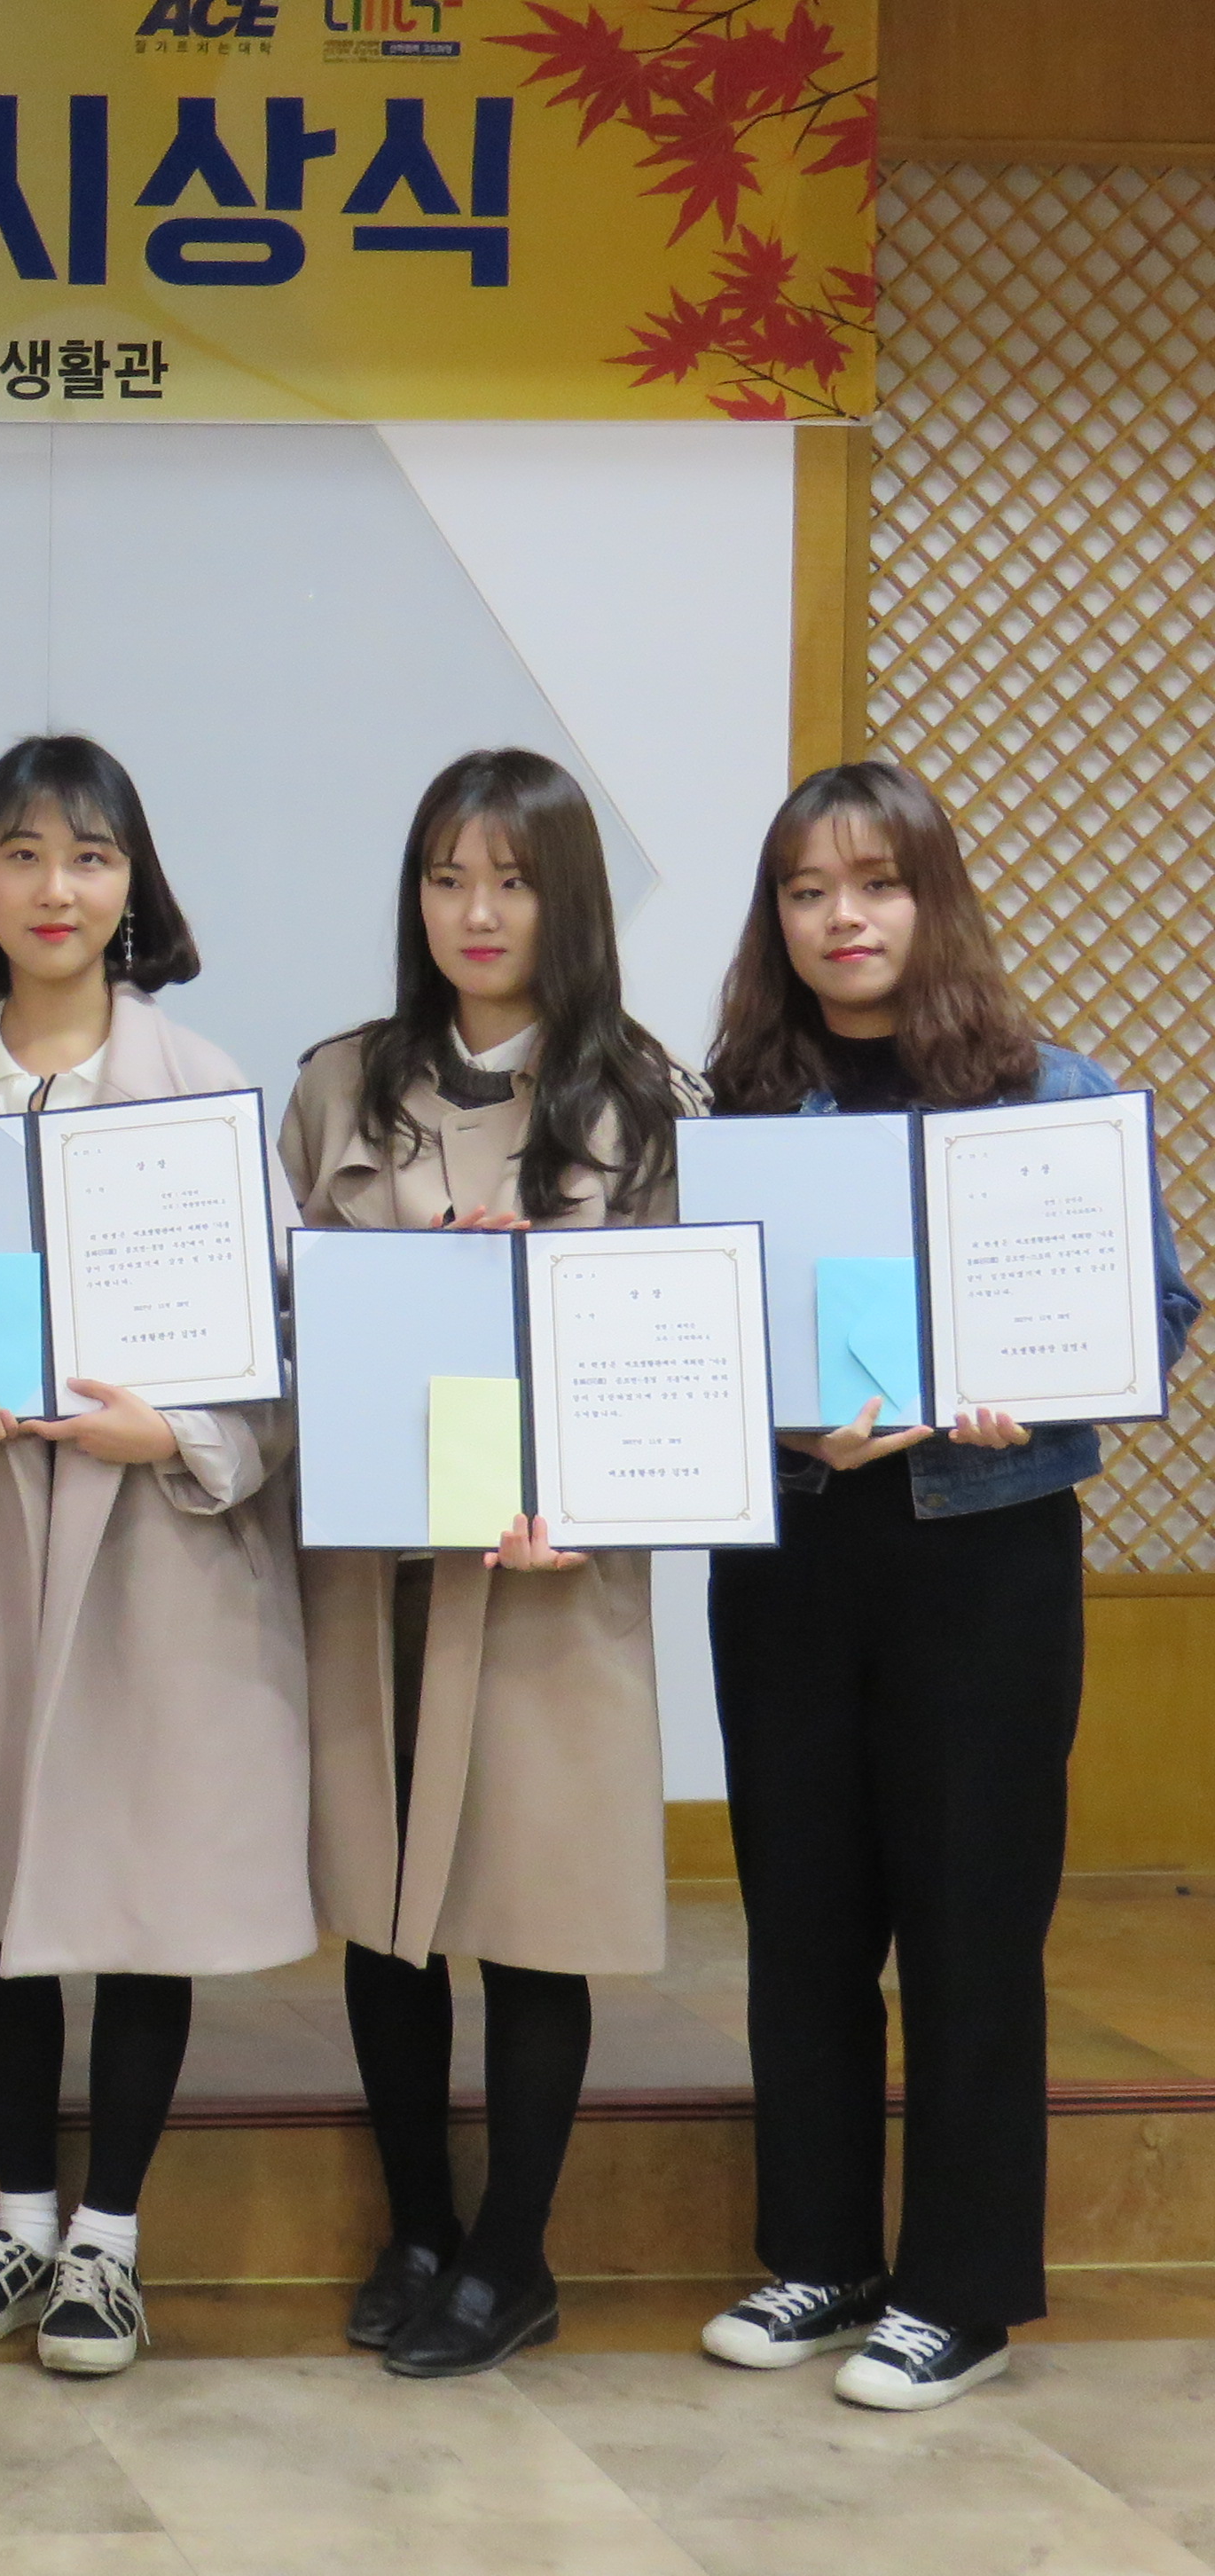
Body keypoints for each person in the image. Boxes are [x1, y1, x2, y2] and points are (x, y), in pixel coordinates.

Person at [694, 759, 1194, 2410]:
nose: (842, 918)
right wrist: (766, 1415)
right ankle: (820, 2256)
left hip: (981, 1555)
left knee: (972, 1925)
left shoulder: (1044, 1090)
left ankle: (960, 2292)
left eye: (876, 883)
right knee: (803, 1917)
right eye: (807, 891)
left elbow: (1156, 1310)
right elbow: (689, 1337)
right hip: (790, 1551)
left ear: (932, 898)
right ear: (776, 920)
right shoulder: (740, 1106)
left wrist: (1026, 1388)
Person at [0, 734, 310, 2377]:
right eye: (24, 853)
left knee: (146, 1881)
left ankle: (111, 2240)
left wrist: (173, 1436)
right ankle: (21, 2217)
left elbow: (283, 1360)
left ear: (133, 886)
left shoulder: (206, 1094)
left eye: (91, 856)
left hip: (155, 1549)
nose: (57, 888)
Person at [279, 749, 690, 2377]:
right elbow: (277, 1323)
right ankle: (417, 2225)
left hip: (544, 1576)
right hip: (379, 1560)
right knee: (388, 1919)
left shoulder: (643, 1101)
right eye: (447, 878)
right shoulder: (340, 1083)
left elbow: (683, 1356)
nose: (476, 912)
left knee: (531, 1913)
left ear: (565, 901)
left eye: (512, 881)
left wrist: (585, 1475)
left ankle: (512, 2256)